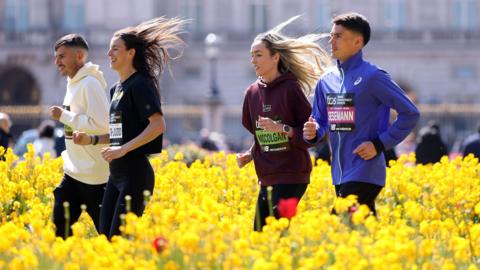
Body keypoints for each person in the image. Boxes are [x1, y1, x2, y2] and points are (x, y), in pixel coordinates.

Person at [73, 17, 185, 239]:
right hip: (117, 174)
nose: (109, 54)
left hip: (135, 175)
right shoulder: (116, 89)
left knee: (118, 240)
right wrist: (92, 140)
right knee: (105, 238)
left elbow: (158, 125)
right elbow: (119, 135)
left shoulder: (141, 84)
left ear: (131, 53)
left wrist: (123, 150)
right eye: (109, 49)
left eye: (115, 49)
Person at [303, 12, 419, 215]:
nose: (331, 41)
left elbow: (410, 113)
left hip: (365, 171)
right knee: (359, 236)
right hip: (339, 174)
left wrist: (379, 144)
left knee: (339, 223)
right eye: (331, 35)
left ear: (357, 42)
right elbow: (320, 121)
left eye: (338, 36)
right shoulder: (326, 81)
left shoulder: (373, 77)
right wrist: (313, 132)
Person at [237, 16, 330, 231]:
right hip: (266, 175)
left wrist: (282, 128)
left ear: (275, 57)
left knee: (275, 234)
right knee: (259, 234)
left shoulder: (291, 89)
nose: (253, 60)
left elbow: (311, 138)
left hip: (292, 174)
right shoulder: (251, 93)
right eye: (252, 56)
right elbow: (260, 135)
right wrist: (250, 154)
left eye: (258, 55)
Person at [50, 34, 110, 238]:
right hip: (73, 173)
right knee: (59, 232)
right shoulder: (73, 82)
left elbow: (102, 125)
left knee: (111, 238)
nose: (57, 61)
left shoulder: (89, 84)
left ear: (79, 56)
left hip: (94, 178)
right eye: (56, 56)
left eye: (62, 56)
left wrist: (64, 116)